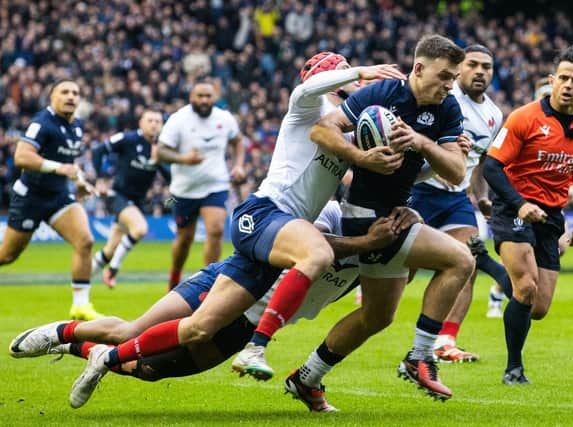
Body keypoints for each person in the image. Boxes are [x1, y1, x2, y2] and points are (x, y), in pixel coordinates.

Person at [65, 55, 407, 408]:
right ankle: (257, 345)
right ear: (329, 78)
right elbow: (307, 88)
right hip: (266, 214)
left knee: (149, 369)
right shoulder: (308, 105)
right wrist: (360, 72)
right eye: (341, 70)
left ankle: (76, 346)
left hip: (279, 238)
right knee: (308, 255)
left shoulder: (347, 127)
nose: (355, 77)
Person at [11, 202, 420, 411]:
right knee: (131, 332)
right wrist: (367, 243)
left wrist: (402, 252)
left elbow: (398, 281)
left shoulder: (396, 239)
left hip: (251, 319)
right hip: (230, 282)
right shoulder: (333, 211)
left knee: (152, 371)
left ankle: (84, 351)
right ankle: (60, 333)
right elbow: (310, 244)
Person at [283, 34, 476, 409]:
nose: (449, 84)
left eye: (453, 77)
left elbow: (455, 172)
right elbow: (322, 129)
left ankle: (307, 378)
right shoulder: (382, 93)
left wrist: (421, 142)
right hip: (364, 216)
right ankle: (420, 356)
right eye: (443, 76)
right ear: (419, 69)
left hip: (397, 211)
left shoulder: (448, 107)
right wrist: (362, 157)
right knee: (461, 260)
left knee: (377, 316)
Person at [483, 45, 573, 384]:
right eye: (562, 77)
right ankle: (513, 369)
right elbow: (492, 167)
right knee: (526, 286)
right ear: (551, 80)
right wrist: (519, 203)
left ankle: (488, 266)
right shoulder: (524, 117)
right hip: (513, 207)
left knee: (539, 307)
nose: (567, 84)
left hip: (551, 215)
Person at [405, 44, 512, 363]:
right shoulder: (443, 99)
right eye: (473, 65)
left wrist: (480, 196)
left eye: (487, 67)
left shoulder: (494, 114)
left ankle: (445, 340)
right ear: (458, 69)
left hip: (456, 198)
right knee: (400, 272)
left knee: (466, 263)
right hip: (420, 192)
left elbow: (479, 162)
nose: (480, 71)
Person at [0, 79, 103, 320]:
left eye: (75, 93)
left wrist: (79, 183)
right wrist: (58, 168)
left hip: (58, 196)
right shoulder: (42, 123)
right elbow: (22, 156)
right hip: (31, 198)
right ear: (52, 97)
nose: (71, 96)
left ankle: (80, 305)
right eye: (64, 92)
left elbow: (69, 164)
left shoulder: (76, 126)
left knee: (85, 240)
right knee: (7, 256)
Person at [158, 81, 246, 290]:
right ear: (192, 97)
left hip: (215, 185)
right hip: (184, 190)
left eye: (208, 96)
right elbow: (161, 151)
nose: (204, 100)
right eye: (200, 96)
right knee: (184, 239)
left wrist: (239, 165)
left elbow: (238, 141)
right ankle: (175, 276)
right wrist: (183, 158)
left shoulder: (225, 119)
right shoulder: (178, 119)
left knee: (215, 230)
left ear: (214, 97)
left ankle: (209, 283)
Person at [90, 110, 169, 288]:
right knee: (140, 228)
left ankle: (81, 281)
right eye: (150, 120)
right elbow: (98, 151)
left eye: (158, 121)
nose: (154, 124)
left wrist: (159, 161)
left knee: (110, 249)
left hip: (137, 202)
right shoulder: (128, 139)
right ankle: (113, 270)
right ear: (141, 123)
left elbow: (172, 179)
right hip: (118, 196)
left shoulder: (162, 148)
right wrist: (100, 178)